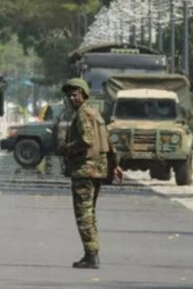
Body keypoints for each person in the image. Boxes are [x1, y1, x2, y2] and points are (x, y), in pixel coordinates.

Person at [60, 78, 122, 269]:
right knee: (89, 212)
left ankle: (91, 254)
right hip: (97, 170)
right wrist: (115, 164)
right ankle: (91, 252)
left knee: (84, 214)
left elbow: (86, 141)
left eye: (75, 94)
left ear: (84, 94)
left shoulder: (82, 115)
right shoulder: (95, 113)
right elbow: (108, 142)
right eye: (69, 95)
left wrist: (65, 147)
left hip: (84, 170)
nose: (72, 99)